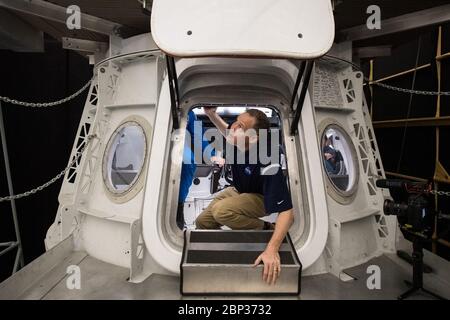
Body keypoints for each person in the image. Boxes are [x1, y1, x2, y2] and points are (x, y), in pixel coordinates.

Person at [195, 107, 294, 285]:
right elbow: (228, 131)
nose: (234, 127)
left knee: (220, 211)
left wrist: (272, 249)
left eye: (240, 126)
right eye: (236, 121)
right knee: (202, 222)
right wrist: (211, 114)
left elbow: (287, 212)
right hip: (240, 190)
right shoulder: (237, 141)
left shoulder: (267, 159)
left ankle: (266, 228)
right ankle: (225, 250)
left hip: (260, 197)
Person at [177, 110, 215, 229]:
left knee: (189, 162)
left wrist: (212, 155)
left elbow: (197, 135)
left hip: (179, 146)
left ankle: (178, 207)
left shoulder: (188, 112)